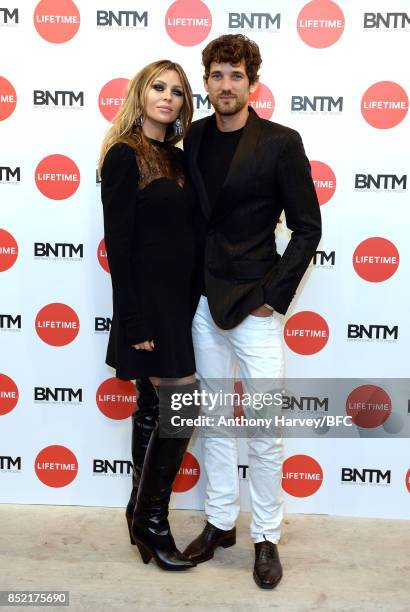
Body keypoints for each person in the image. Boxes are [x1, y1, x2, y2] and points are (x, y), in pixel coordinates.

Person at [182, 35, 322, 588]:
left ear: (252, 82)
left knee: (264, 430)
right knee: (214, 422)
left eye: (235, 75)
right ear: (208, 82)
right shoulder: (193, 137)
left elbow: (308, 227)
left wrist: (273, 295)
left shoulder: (281, 143)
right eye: (216, 75)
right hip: (203, 304)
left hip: (256, 306)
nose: (225, 85)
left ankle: (266, 535)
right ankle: (220, 523)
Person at [99, 60, 200, 571]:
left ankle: (137, 507)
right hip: (148, 305)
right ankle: (152, 522)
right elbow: (118, 247)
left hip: (179, 304)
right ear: (141, 93)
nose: (167, 97)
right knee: (183, 404)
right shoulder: (124, 155)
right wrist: (133, 322)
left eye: (177, 91)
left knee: (151, 405)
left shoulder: (179, 159)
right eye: (158, 87)